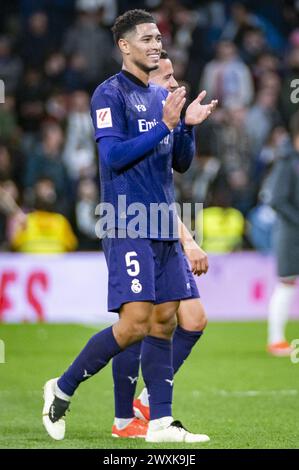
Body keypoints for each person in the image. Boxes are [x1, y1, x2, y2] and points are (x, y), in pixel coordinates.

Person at [42, 9, 216, 443]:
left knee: (165, 321)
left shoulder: (161, 97)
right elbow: (113, 157)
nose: (157, 44)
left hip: (161, 219)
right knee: (135, 322)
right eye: (148, 39)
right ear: (125, 46)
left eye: (159, 38)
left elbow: (179, 162)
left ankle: (160, 423)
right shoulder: (109, 94)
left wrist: (186, 130)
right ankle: (62, 387)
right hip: (125, 219)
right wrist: (165, 127)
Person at [111, 49, 215, 438]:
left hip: (163, 229)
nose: (174, 85)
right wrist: (189, 242)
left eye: (174, 78)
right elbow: (148, 196)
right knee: (137, 324)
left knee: (190, 319)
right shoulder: (134, 120)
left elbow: (172, 181)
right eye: (166, 78)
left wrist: (186, 127)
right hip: (136, 230)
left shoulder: (165, 122)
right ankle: (126, 417)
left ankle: (146, 404)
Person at [267, 111, 299, 356]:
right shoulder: (286, 161)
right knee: (287, 283)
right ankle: (276, 340)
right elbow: (276, 199)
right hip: (290, 233)